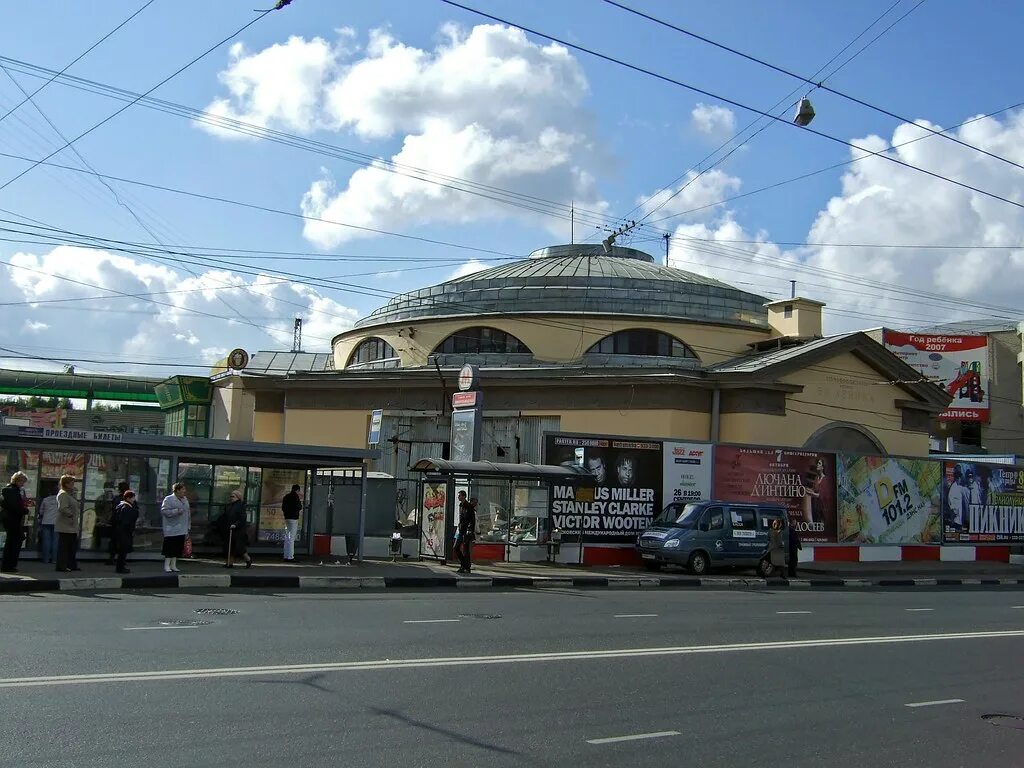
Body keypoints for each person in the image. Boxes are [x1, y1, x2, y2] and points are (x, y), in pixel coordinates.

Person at [1, 471, 29, 573]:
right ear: (17, 480)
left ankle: (8, 565)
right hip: (12, 519)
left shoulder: (10, 490)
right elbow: (15, 506)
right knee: (14, 542)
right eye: (22, 481)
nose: (23, 484)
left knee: (13, 541)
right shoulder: (12, 491)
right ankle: (9, 565)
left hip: (10, 519)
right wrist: (24, 510)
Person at [160, 482, 191, 573]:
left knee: (177, 547)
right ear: (177, 490)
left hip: (182, 528)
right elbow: (164, 511)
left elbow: (188, 514)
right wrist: (176, 511)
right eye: (182, 489)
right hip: (171, 528)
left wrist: (188, 526)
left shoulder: (185, 499)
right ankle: (167, 565)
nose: (184, 491)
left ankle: (173, 565)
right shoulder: (168, 499)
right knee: (170, 547)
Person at [55, 474, 81, 573]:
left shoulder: (69, 494)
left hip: (71, 525)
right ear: (66, 484)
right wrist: (71, 515)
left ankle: (71, 564)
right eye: (71, 483)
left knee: (72, 546)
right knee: (64, 547)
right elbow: (62, 508)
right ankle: (61, 566)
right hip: (65, 525)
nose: (73, 484)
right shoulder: (63, 494)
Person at [219, 489, 252, 569]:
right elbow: (225, 516)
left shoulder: (240, 506)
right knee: (229, 547)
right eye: (231, 496)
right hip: (229, 529)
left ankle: (248, 559)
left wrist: (235, 524)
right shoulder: (230, 506)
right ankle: (229, 563)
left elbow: (242, 518)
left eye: (233, 496)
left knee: (239, 547)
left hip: (238, 530)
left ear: (238, 497)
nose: (231, 498)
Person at [111, 490, 140, 574]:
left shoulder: (120, 506)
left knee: (122, 550)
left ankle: (120, 567)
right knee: (123, 551)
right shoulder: (126, 507)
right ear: (128, 498)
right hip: (124, 532)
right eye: (133, 498)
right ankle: (120, 568)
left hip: (120, 531)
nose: (134, 499)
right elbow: (127, 521)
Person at [456, 491, 476, 574]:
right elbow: (461, 518)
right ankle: (464, 565)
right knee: (456, 547)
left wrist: (469, 529)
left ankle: (466, 567)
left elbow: (472, 519)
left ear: (464, 496)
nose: (458, 497)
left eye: (459, 496)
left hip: (466, 531)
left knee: (465, 549)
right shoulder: (461, 505)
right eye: (458, 496)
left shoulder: (469, 506)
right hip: (461, 530)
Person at [281, 484, 303, 561]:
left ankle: (285, 555)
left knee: (287, 537)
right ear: (297, 490)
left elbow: (283, 508)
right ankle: (290, 556)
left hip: (287, 518)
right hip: (293, 519)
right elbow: (300, 507)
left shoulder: (286, 497)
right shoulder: (296, 497)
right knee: (291, 538)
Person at [37, 490, 59, 565]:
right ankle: (54, 559)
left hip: (46, 521)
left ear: (50, 493)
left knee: (46, 540)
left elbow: (41, 511)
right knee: (55, 541)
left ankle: (45, 559)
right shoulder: (59, 500)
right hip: (56, 522)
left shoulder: (45, 499)